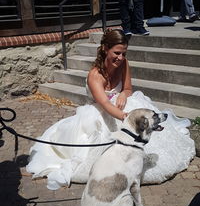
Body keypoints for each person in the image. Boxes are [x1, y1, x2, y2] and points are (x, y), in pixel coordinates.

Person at [26, 29, 195, 191]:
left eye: (124, 53)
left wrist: (123, 94)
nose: (121, 58)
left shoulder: (124, 63)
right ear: (105, 49)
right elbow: (106, 105)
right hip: (100, 114)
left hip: (123, 106)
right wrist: (130, 119)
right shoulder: (94, 75)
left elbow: (128, 88)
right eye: (116, 53)